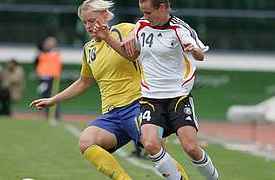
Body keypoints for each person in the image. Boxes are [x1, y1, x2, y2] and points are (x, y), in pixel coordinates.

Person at [30, 1, 187, 180]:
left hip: (138, 105)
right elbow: (84, 82)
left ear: (105, 16)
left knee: (154, 148)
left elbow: (152, 27)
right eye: (85, 22)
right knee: (86, 141)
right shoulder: (88, 49)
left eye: (92, 20)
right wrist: (53, 100)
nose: (89, 26)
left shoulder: (124, 30)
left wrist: (136, 32)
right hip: (113, 115)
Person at [93, 0, 219, 179]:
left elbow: (200, 55)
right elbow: (131, 55)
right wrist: (107, 37)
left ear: (162, 8)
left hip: (178, 97)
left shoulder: (180, 29)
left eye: (147, 12)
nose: (144, 17)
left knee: (191, 148)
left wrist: (194, 50)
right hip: (150, 98)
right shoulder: (141, 26)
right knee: (151, 145)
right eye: (142, 12)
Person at [35, 36, 62, 120]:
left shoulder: (54, 53)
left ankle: (55, 116)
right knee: (44, 97)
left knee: (53, 97)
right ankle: (48, 115)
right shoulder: (42, 53)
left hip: (52, 78)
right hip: (43, 78)